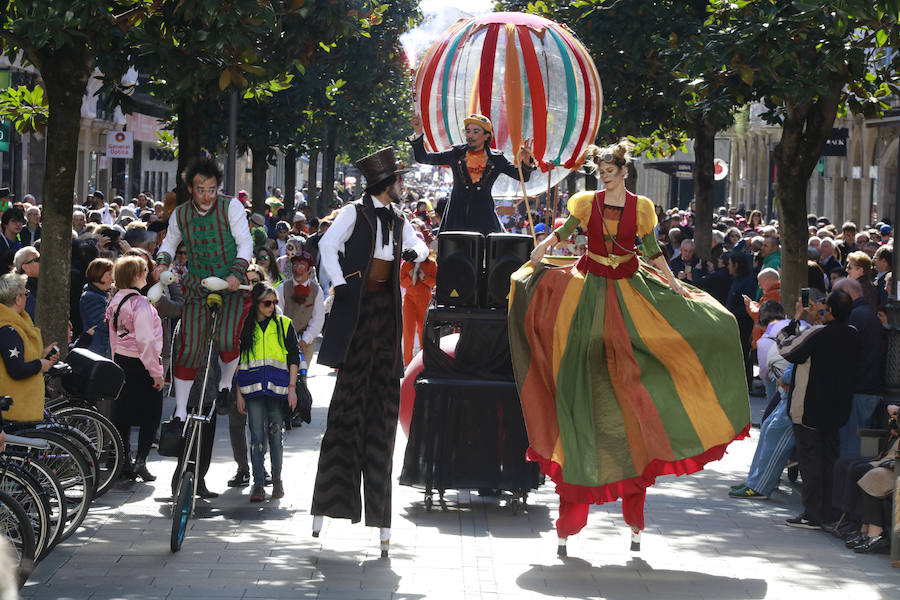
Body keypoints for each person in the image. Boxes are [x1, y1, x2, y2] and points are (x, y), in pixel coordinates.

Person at [509, 140, 750, 556]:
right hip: (588, 290)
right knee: (562, 336)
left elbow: (654, 253)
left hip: (630, 290)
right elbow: (566, 233)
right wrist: (545, 247)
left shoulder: (641, 209)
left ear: (623, 171)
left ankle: (635, 510)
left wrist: (676, 287)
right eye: (600, 170)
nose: (603, 175)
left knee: (671, 345)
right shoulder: (586, 203)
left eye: (609, 170)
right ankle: (571, 508)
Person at [311, 146, 428, 556]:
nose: (402, 185)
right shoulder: (352, 213)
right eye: (398, 180)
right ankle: (330, 502)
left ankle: (380, 516)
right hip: (358, 307)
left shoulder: (398, 218)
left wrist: (416, 253)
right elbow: (326, 247)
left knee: (382, 409)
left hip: (386, 313)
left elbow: (420, 248)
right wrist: (340, 284)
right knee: (347, 406)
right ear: (386, 184)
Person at [153, 156, 252, 499]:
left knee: (226, 340)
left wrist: (236, 274)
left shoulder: (231, 209)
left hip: (229, 287)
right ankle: (181, 426)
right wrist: (161, 262)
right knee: (190, 351)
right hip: (196, 291)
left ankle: (224, 386)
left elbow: (245, 243)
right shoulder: (181, 214)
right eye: (200, 189)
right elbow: (168, 243)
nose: (207, 196)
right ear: (191, 188)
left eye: (212, 189)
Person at [780, 290, 858, 529]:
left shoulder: (818, 333)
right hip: (837, 409)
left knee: (810, 461)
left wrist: (797, 317)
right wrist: (816, 322)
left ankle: (812, 514)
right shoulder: (853, 334)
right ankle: (829, 513)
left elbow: (787, 347)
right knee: (829, 460)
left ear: (831, 310)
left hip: (809, 408)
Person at [408, 113, 535, 235]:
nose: (470, 135)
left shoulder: (497, 159)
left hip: (484, 220)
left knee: (488, 253)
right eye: (468, 131)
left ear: (486, 136)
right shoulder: (456, 153)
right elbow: (422, 158)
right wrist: (419, 132)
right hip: (456, 218)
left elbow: (522, 177)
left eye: (475, 132)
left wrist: (526, 163)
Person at [235, 283, 299, 502]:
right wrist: (238, 393)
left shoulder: (284, 325)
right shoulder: (245, 325)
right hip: (252, 390)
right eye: (267, 303)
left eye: (275, 302)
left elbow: (293, 358)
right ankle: (258, 484)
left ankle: (278, 480)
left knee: (275, 434)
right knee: (256, 437)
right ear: (256, 303)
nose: (272, 307)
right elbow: (240, 361)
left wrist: (292, 390)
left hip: (278, 391)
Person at [107, 255, 164, 482]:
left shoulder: (114, 301)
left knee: (122, 415)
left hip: (121, 361)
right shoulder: (140, 303)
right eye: (143, 271)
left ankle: (124, 462)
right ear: (135, 275)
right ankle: (140, 461)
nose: (146, 275)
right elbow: (146, 341)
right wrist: (156, 372)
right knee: (151, 414)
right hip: (141, 363)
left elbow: (114, 336)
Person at [832, 278, 883, 457]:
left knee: (852, 449)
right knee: (862, 444)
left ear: (847, 293)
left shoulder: (855, 316)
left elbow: (845, 355)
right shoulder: (866, 313)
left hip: (858, 391)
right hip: (867, 389)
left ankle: (852, 484)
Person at [0, 272, 58, 422]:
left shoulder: (15, 325)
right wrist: (40, 364)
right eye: (26, 292)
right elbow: (16, 369)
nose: (28, 296)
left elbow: (20, 358)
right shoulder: (8, 330)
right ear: (18, 299)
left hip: (19, 407)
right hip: (16, 411)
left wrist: (42, 355)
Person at [276, 250, 325, 363]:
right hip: (284, 339)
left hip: (307, 339)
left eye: (302, 266)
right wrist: (287, 338)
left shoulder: (317, 291)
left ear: (309, 269)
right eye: (295, 265)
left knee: (302, 374)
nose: (297, 269)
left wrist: (305, 339)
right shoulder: (283, 288)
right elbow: (279, 314)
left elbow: (318, 319)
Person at [400, 244, 437, 365]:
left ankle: (423, 362)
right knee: (408, 331)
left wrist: (424, 277)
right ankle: (408, 363)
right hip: (409, 300)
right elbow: (402, 283)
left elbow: (434, 283)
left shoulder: (431, 264)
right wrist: (411, 277)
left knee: (423, 331)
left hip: (425, 300)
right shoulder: (406, 264)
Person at [80, 258, 115, 358]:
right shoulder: (91, 297)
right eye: (109, 274)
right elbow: (104, 324)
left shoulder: (100, 295)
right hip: (98, 349)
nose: (112, 279)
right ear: (99, 274)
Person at [13, 247, 39, 320]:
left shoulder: (40, 283)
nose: (42, 262)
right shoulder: (21, 289)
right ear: (25, 267)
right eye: (37, 260)